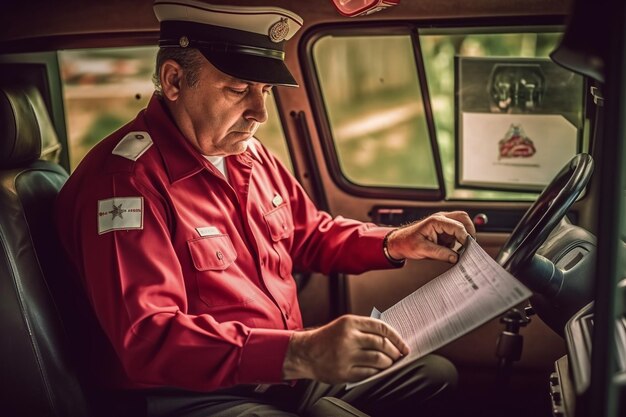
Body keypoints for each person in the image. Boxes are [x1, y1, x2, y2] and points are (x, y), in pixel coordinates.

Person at [54, 1, 476, 416]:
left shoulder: (248, 154)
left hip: (283, 372)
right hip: (191, 395)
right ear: (174, 80)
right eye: (239, 90)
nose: (260, 113)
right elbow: (151, 337)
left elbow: (308, 233)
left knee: (434, 375)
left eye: (266, 91)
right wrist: (300, 351)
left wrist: (395, 241)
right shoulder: (125, 183)